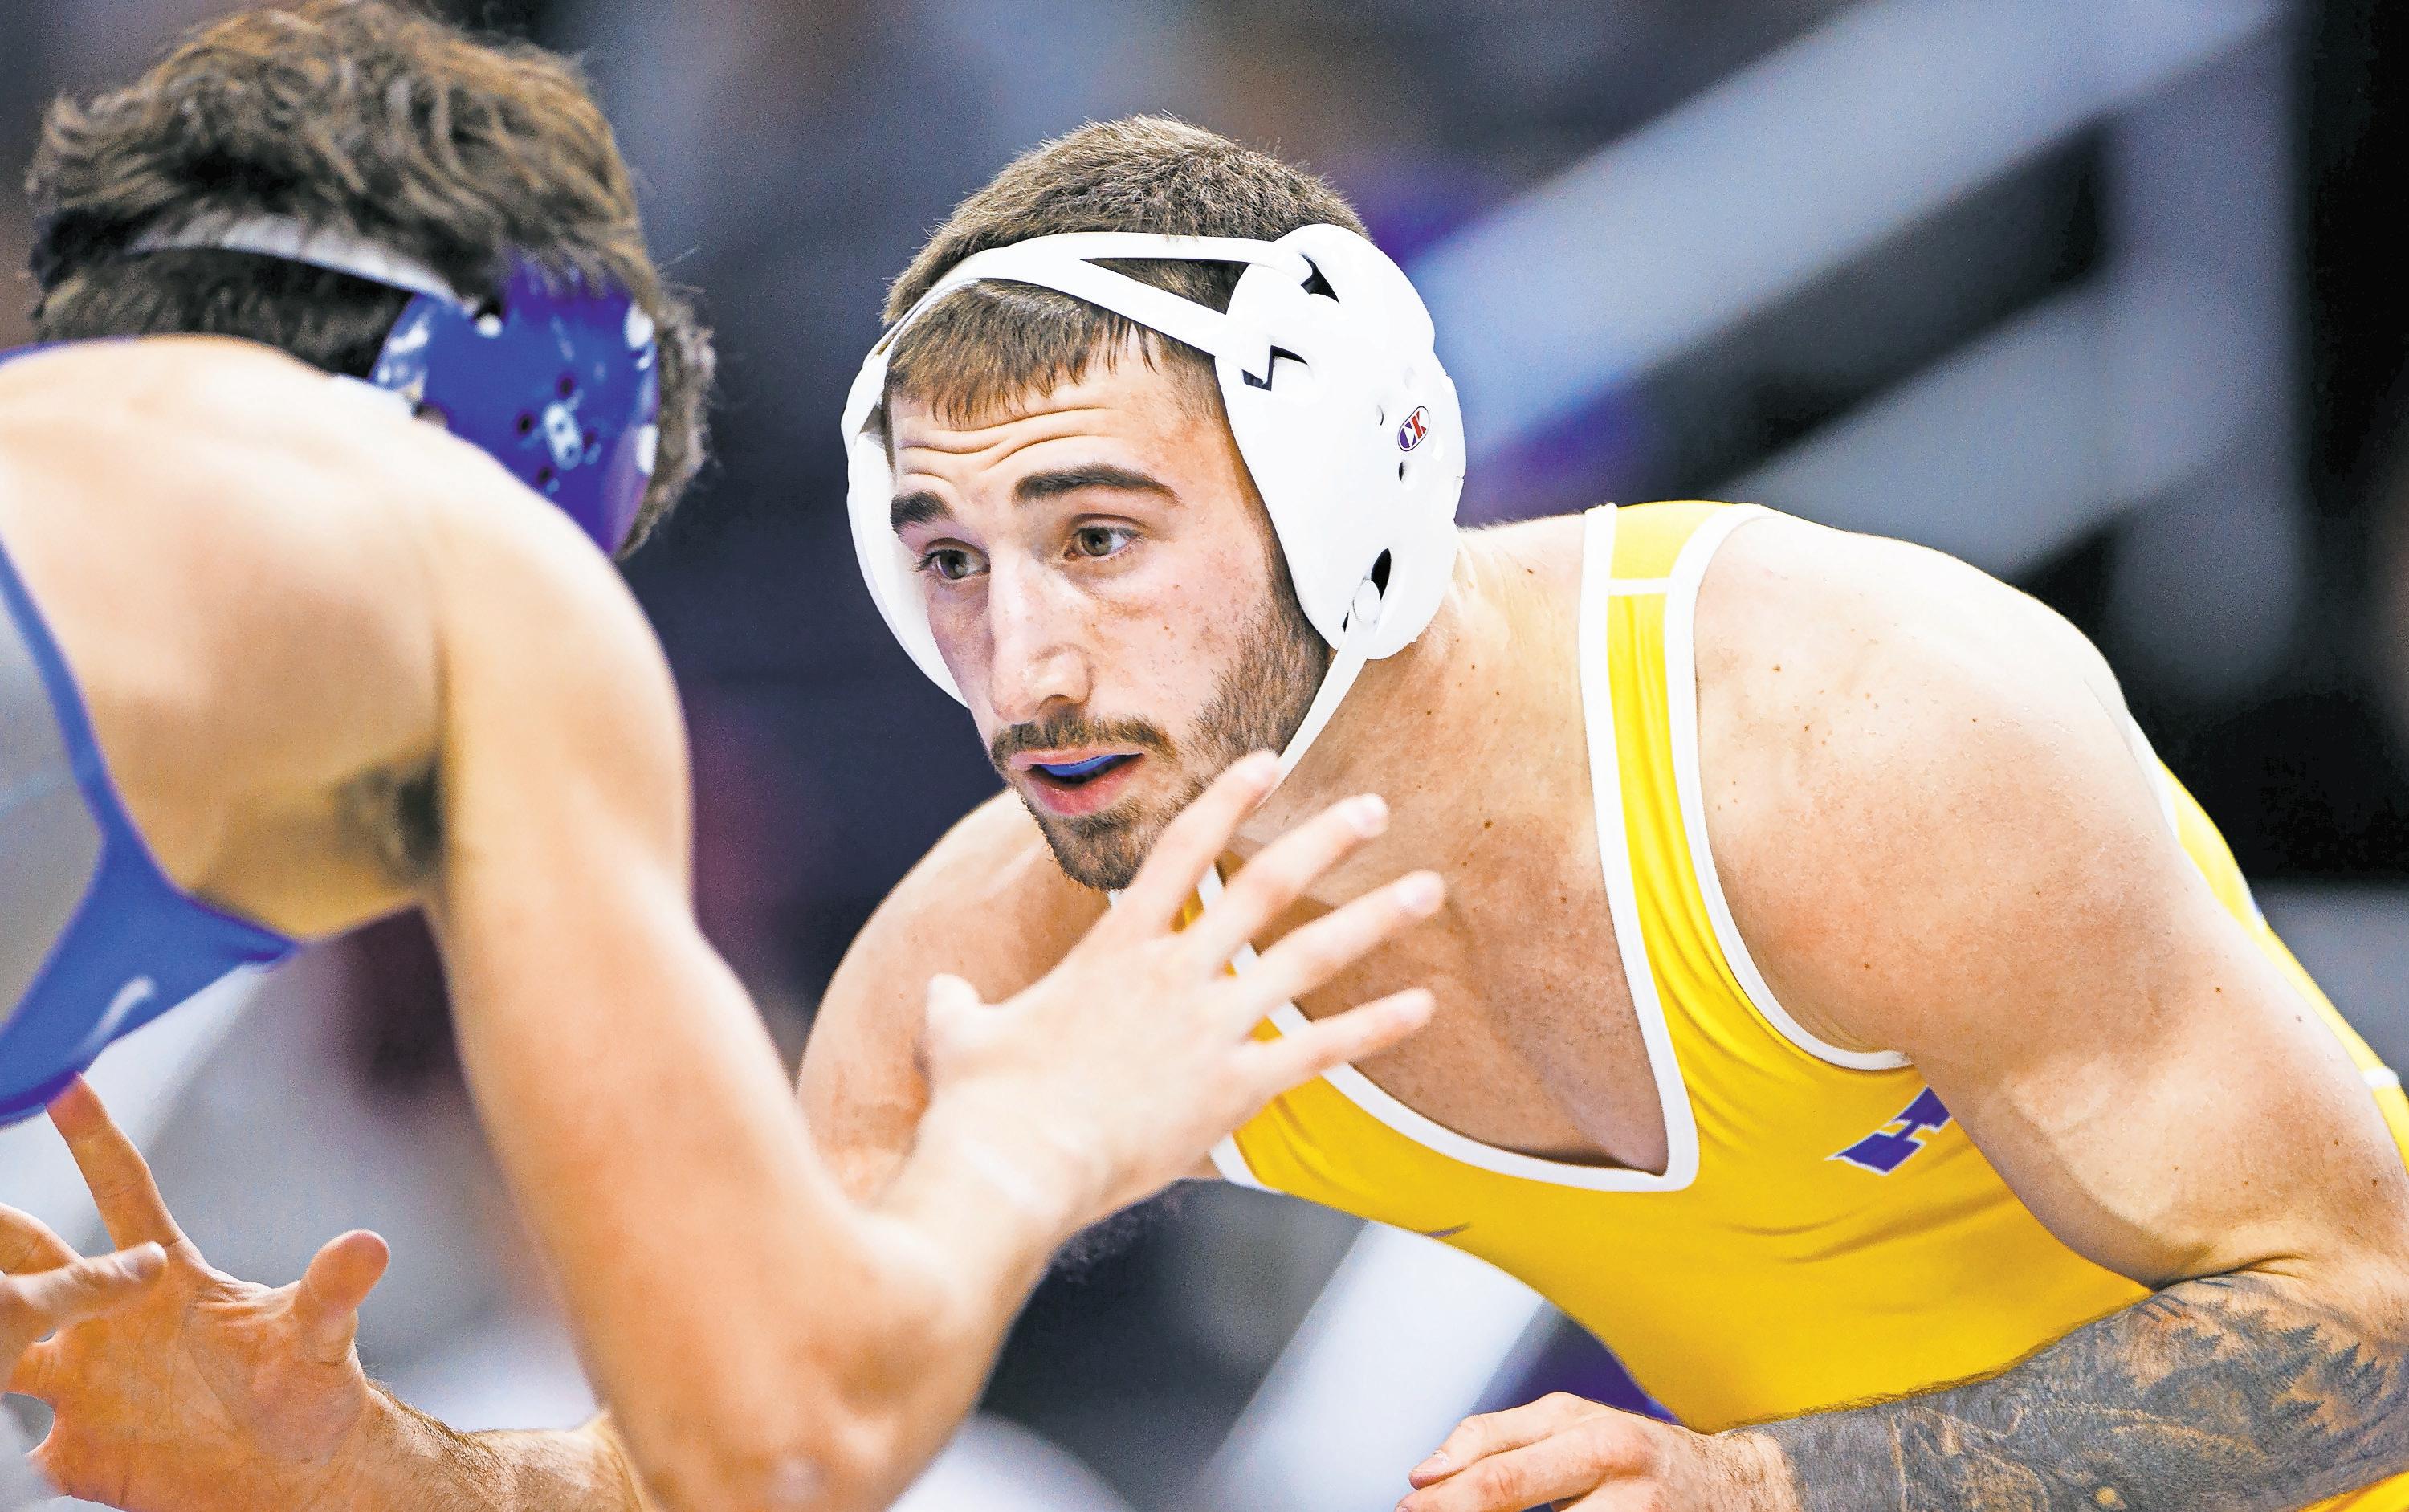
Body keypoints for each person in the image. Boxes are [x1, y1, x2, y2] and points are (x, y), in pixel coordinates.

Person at [26, 114, 2409, 1511]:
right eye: (951, 560)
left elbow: (2372, 1311)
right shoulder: (1014, 943)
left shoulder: (1844, 737)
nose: (1024, 662)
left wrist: (1780, 1484)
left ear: (1353, 487)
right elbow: (740, 1459)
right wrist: (374, 1471)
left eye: (1100, 534)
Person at [0, 19, 1447, 1510]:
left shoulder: (82, 492)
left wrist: (366, 1470)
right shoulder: (470, 559)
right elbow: (778, 1447)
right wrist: (1034, 1138)